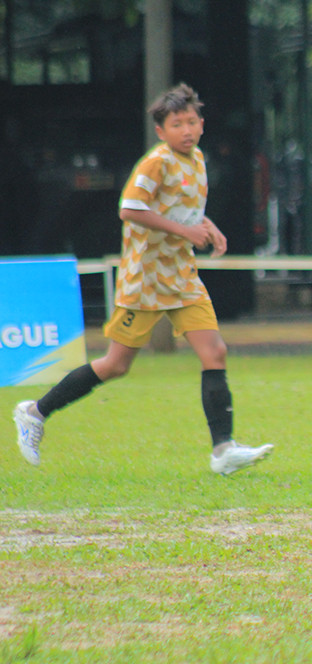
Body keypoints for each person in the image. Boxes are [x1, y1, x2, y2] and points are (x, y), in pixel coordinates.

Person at [12, 83, 274, 475]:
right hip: (145, 279)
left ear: (201, 124)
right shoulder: (156, 162)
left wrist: (208, 226)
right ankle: (35, 412)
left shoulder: (198, 159)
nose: (185, 130)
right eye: (176, 124)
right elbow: (130, 209)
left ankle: (223, 449)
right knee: (116, 364)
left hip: (182, 277)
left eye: (191, 122)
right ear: (161, 131)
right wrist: (186, 233)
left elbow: (182, 211)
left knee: (214, 352)